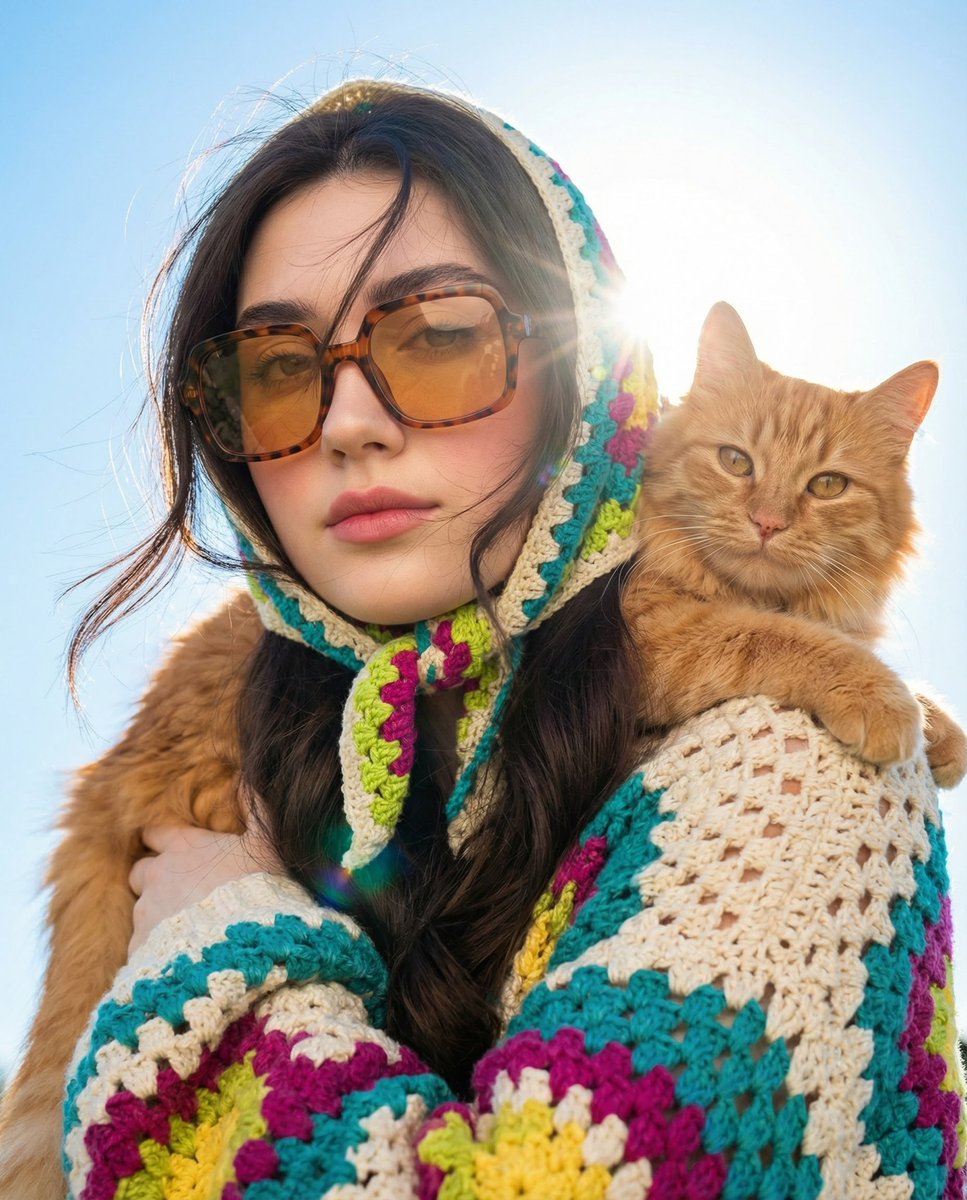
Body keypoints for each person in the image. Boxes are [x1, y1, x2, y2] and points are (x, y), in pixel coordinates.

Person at [56, 79, 965, 1198]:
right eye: (278, 372)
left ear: (584, 384)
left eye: (437, 337)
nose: (348, 423)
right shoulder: (279, 697)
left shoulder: (795, 766)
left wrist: (224, 946)